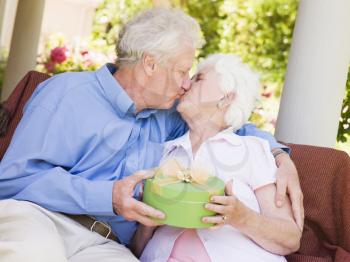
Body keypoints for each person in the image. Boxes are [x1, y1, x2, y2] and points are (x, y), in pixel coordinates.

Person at [0, 8, 302, 262]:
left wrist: (279, 155)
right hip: (40, 218)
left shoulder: (168, 118)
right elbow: (12, 179)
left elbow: (224, 125)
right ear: (150, 64)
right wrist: (109, 198)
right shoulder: (65, 93)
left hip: (106, 244)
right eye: (182, 72)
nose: (186, 84)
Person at [139, 54, 302, 262]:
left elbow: (290, 239)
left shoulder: (252, 150)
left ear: (226, 97)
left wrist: (241, 217)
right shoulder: (167, 152)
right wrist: (146, 222)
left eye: (199, 78)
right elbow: (138, 248)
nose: (186, 84)